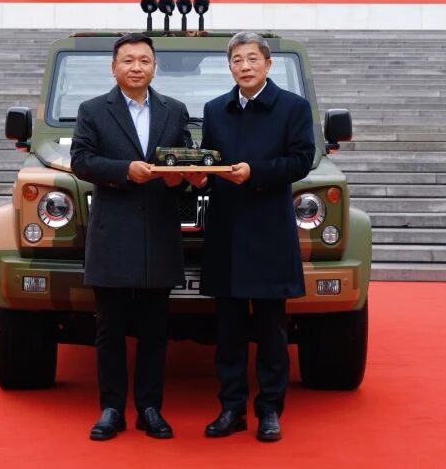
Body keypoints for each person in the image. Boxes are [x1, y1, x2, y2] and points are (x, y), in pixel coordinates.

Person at [69, 32, 196, 441]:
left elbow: (187, 161)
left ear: (154, 66)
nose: (136, 67)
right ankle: (110, 409)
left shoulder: (174, 110)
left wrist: (182, 179)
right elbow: (81, 160)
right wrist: (125, 170)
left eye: (144, 60)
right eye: (128, 60)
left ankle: (149, 409)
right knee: (109, 330)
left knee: (155, 331)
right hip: (113, 234)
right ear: (114, 67)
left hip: (159, 233)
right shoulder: (92, 110)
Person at [198, 31, 315, 443]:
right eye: (237, 60)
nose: (245, 66)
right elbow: (210, 159)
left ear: (268, 64)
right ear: (229, 67)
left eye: (252, 58)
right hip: (226, 230)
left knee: (270, 328)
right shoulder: (215, 109)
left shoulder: (293, 107)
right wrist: (199, 176)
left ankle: (269, 410)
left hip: (269, 230)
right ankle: (231, 408)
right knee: (228, 330)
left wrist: (255, 172)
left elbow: (301, 160)